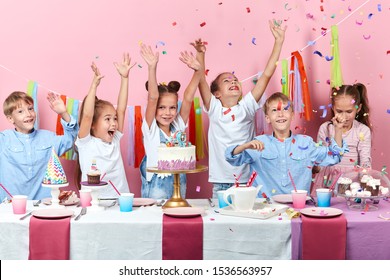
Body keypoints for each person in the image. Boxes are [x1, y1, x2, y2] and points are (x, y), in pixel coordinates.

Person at [192, 20, 287, 198]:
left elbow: (267, 74)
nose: (233, 82)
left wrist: (279, 42)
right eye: (226, 81)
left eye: (235, 80)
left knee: (246, 223)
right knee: (221, 224)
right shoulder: (214, 108)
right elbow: (201, 80)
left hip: (247, 180)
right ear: (217, 94)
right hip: (221, 181)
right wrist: (200, 54)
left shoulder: (247, 106)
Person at [225, 92, 349, 197]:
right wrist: (245, 146)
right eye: (274, 110)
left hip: (297, 208)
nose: (280, 114)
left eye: (285, 109)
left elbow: (334, 156)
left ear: (292, 115)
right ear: (267, 118)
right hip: (264, 209)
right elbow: (231, 157)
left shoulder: (306, 143)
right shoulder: (258, 143)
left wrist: (338, 130)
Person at [140, 44, 201, 199]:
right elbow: (153, 97)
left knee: (178, 218)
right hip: (157, 183)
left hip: (179, 180)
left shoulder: (178, 126)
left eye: (172, 107)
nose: (167, 113)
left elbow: (188, 97)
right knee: (156, 220)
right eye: (161, 107)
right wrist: (152, 68)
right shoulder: (150, 128)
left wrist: (197, 71)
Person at [0, 91, 78, 200]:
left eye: (30, 108)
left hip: (44, 205)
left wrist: (63, 113)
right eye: (20, 111)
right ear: (10, 119)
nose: (28, 114)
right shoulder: (3, 139)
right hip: (10, 208)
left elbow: (71, 138)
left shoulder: (49, 138)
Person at [76, 53, 134, 198]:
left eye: (114, 119)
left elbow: (121, 108)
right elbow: (88, 115)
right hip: (93, 203)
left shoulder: (114, 140)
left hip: (121, 201)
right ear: (92, 125)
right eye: (107, 119)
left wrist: (124, 78)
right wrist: (94, 85)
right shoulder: (85, 143)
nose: (114, 123)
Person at [311, 83, 371, 196]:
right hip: (327, 181)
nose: (344, 116)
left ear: (358, 108)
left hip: (351, 182)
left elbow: (365, 161)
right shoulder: (326, 128)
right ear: (333, 108)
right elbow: (320, 158)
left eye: (349, 112)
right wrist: (314, 166)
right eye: (339, 111)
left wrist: (366, 182)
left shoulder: (362, 130)